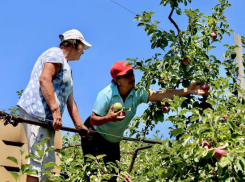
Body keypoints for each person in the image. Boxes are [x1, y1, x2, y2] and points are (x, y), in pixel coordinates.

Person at [81, 60, 208, 182]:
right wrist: (108, 118)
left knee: (112, 177)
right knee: (93, 173)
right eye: (126, 75)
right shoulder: (106, 95)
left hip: (113, 139)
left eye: (131, 73)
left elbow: (162, 95)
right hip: (95, 135)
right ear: (116, 80)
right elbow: (93, 120)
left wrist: (188, 90)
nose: (131, 77)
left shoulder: (137, 93)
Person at [17, 29, 91, 182]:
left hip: (49, 120)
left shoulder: (68, 69)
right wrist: (56, 111)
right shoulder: (55, 53)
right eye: (82, 46)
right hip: (36, 113)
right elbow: (44, 79)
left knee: (48, 166)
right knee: (36, 161)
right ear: (74, 43)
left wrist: (79, 126)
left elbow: (70, 101)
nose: (83, 52)